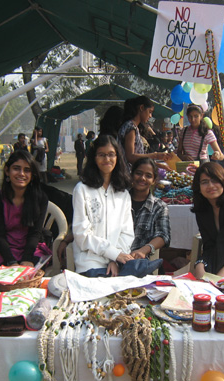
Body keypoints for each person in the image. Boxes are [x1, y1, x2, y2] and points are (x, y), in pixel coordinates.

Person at [72, 134, 135, 277]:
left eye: (111, 154)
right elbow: (81, 235)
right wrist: (112, 253)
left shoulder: (123, 194)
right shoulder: (82, 189)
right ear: (94, 158)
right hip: (89, 262)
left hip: (118, 261)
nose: (107, 159)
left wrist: (115, 258)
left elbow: (127, 233)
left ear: (117, 157)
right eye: (101, 155)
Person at [0, 150, 48, 267]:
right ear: (7, 171)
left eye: (27, 170)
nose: (21, 174)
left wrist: (27, 259)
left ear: (32, 175)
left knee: (32, 274)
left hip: (32, 248)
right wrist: (11, 262)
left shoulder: (40, 198)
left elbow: (35, 233)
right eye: (16, 168)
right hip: (5, 250)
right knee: (7, 276)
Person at [129, 158, 171, 259]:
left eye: (148, 176)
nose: (142, 178)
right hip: (114, 257)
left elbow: (163, 235)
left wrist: (143, 250)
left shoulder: (159, 207)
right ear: (131, 175)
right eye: (138, 173)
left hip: (140, 261)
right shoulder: (119, 201)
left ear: (153, 181)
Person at [117, 95, 169, 167]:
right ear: (141, 108)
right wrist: (155, 155)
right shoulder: (130, 127)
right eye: (149, 112)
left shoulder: (133, 127)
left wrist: (158, 165)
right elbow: (130, 156)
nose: (150, 116)